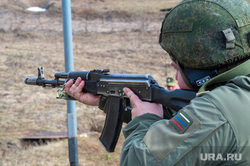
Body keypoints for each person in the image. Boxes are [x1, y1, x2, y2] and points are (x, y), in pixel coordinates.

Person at [64, 0, 250, 165]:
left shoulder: (217, 111)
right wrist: (108, 100)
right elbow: (189, 126)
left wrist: (144, 121)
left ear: (195, 67)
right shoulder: (238, 93)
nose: (174, 74)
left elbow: (139, 161)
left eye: (176, 67)